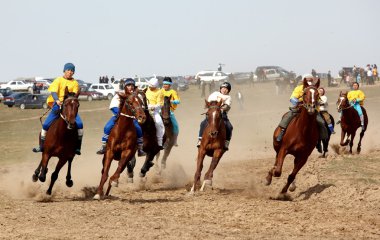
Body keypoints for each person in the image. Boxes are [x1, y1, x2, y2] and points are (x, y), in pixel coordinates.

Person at [32, 63, 84, 155]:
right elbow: (53, 91)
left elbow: (74, 96)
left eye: (72, 70)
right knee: (46, 125)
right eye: (68, 70)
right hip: (58, 104)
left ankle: (77, 147)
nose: (70, 72)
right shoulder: (58, 80)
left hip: (69, 107)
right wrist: (57, 100)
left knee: (79, 124)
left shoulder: (75, 83)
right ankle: (41, 146)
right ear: (64, 70)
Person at [96, 78, 145, 156]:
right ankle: (104, 146)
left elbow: (140, 107)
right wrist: (120, 114)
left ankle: (140, 148)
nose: (131, 87)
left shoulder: (137, 96)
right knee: (107, 127)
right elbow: (113, 106)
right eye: (128, 85)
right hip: (118, 117)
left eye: (132, 85)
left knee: (138, 128)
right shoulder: (119, 94)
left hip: (132, 118)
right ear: (125, 86)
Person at [276, 74, 327, 142]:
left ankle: (320, 139)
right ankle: (282, 132)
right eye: (307, 80)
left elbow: (319, 100)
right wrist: (298, 102)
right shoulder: (299, 88)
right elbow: (292, 98)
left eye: (311, 80)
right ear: (304, 81)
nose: (309, 81)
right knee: (287, 117)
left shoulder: (315, 90)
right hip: (299, 108)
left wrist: (317, 102)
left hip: (313, 110)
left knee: (321, 122)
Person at [197, 82, 233, 150]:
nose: (224, 90)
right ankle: (200, 139)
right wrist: (208, 106)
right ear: (220, 88)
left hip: (222, 114)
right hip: (212, 113)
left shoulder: (228, 97)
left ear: (228, 90)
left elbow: (227, 106)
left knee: (229, 126)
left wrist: (221, 108)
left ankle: (226, 142)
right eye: (223, 88)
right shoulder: (215, 94)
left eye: (226, 89)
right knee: (203, 123)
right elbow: (209, 102)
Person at [146, 77, 165, 149]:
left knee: (159, 123)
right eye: (150, 85)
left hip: (154, 111)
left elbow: (160, 104)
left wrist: (154, 107)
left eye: (152, 86)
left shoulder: (159, 92)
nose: (150, 87)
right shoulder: (146, 89)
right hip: (144, 109)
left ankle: (160, 142)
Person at [161, 77, 180, 146]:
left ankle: (175, 140)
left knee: (176, 126)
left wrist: (172, 101)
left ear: (170, 85)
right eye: (164, 84)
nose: (165, 85)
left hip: (170, 111)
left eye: (167, 84)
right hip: (160, 110)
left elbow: (178, 101)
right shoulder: (161, 91)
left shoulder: (173, 92)